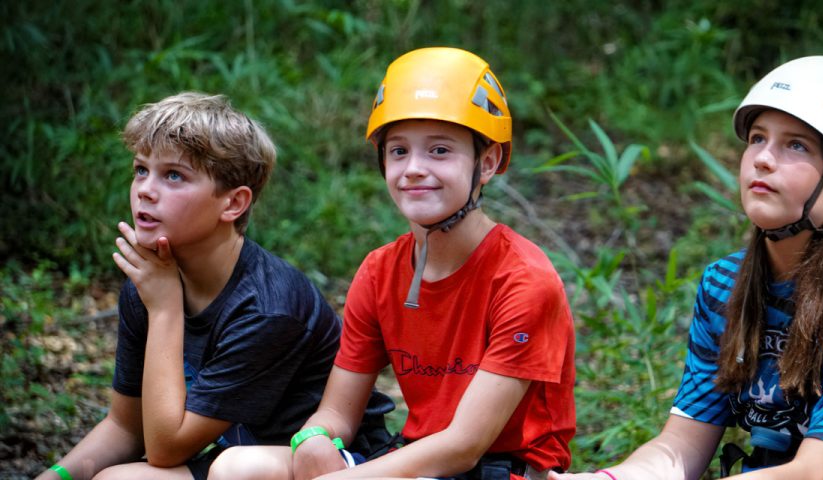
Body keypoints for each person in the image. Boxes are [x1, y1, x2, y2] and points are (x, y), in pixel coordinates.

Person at [551, 56, 823, 480]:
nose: (762, 159)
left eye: (796, 145)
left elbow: (817, 473)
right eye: (757, 138)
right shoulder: (724, 286)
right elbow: (682, 444)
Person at [208, 47, 577, 480]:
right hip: (416, 461)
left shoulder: (523, 279)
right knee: (239, 467)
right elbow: (337, 414)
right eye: (398, 151)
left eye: (440, 150)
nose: (414, 169)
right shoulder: (381, 271)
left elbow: (464, 446)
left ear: (488, 162)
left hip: (501, 470)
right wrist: (314, 440)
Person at [37, 93, 346, 480]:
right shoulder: (150, 282)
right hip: (229, 457)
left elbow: (165, 449)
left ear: (233, 204)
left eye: (173, 175)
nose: (146, 190)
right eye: (140, 170)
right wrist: (56, 476)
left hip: (316, 464)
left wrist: (165, 309)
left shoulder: (268, 306)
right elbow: (126, 427)